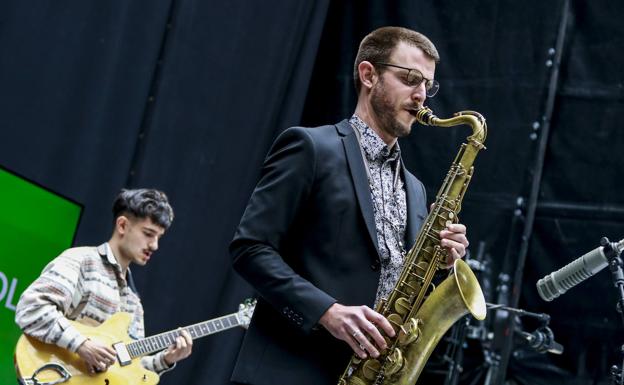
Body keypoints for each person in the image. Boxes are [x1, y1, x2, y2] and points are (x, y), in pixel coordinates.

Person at [229, 26, 469, 384]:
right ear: (368, 74)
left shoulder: (416, 190)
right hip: (291, 371)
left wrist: (441, 263)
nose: (421, 96)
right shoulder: (310, 148)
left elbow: (399, 285)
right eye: (410, 78)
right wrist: (327, 311)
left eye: (427, 86)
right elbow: (249, 249)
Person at [15, 188, 192, 376]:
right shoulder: (81, 260)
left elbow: (127, 370)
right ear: (122, 225)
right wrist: (81, 344)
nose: (155, 245)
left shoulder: (133, 303)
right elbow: (31, 308)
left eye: (158, 237)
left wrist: (165, 359)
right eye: (148, 233)